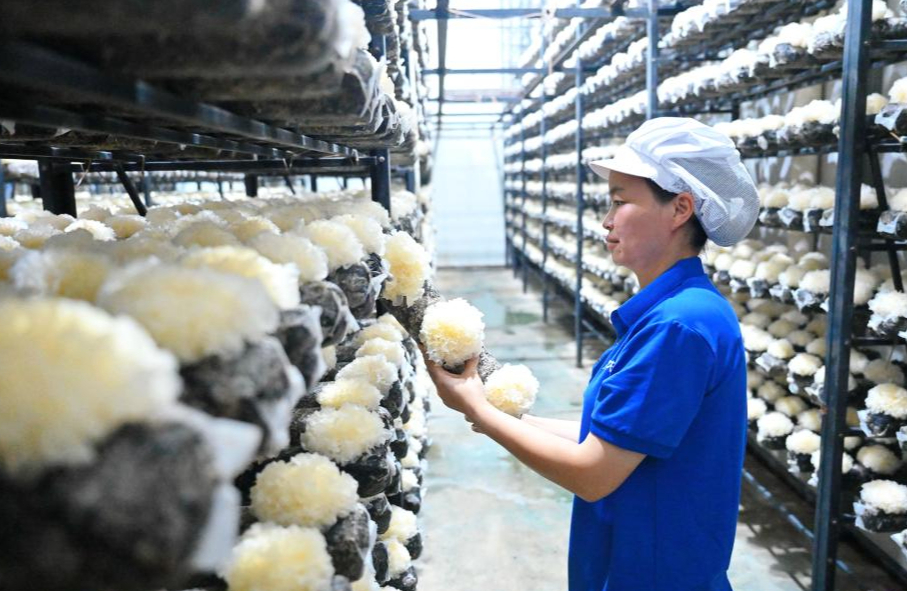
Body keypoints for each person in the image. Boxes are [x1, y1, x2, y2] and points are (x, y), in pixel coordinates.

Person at [424, 117, 760, 591]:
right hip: (634, 560)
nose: (606, 219)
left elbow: (593, 474)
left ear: (680, 208)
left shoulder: (678, 327)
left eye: (620, 202)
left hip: (652, 575)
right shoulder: (669, 312)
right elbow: (605, 437)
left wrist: (477, 409)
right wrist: (502, 413)